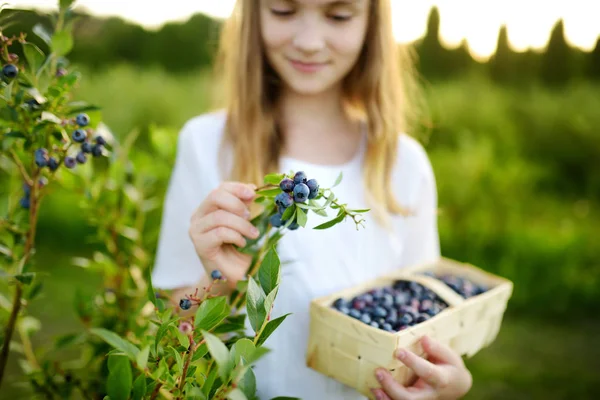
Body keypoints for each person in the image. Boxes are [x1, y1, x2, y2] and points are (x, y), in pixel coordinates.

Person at [151, 0, 473, 399]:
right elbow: (170, 322)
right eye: (283, 11)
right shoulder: (207, 144)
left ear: (371, 23)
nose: (308, 41)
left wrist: (446, 385)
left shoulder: (403, 165)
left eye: (338, 16)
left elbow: (425, 319)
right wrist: (217, 282)